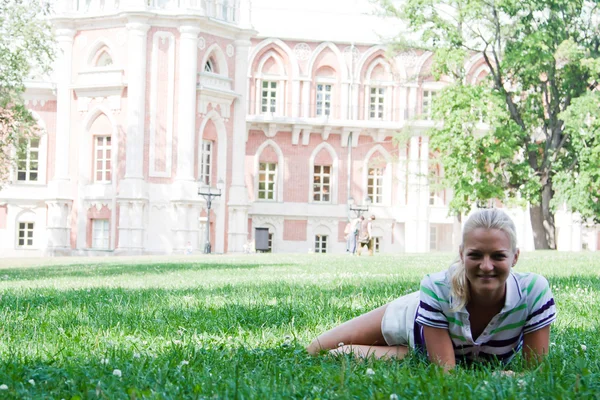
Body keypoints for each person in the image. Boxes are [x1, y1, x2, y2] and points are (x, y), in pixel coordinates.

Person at [307, 209, 556, 371]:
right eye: (476, 255)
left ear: (515, 257)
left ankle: (402, 354)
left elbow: (534, 371)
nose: (486, 266)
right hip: (411, 320)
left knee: (344, 354)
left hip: (427, 350)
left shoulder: (534, 291)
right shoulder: (437, 288)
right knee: (316, 349)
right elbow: (445, 373)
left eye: (498, 256)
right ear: (461, 255)